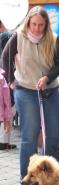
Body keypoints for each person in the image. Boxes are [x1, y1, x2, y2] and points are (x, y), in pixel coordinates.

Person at [1, 6, 59, 180]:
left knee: (52, 135)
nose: (36, 28)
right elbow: (5, 58)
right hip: (26, 90)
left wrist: (48, 78)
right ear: (28, 22)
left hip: (49, 90)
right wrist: (11, 82)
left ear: (46, 25)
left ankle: (50, 177)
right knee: (30, 135)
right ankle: (27, 177)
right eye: (33, 24)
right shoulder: (18, 37)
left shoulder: (54, 39)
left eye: (40, 25)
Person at [0, 20, 16, 150]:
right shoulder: (6, 36)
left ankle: (5, 141)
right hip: (5, 77)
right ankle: (4, 141)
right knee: (9, 108)